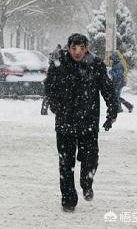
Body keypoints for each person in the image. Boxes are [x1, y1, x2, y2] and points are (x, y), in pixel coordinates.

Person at [44, 33, 118, 212]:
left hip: (88, 122)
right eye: (74, 48)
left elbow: (107, 88)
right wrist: (55, 106)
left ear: (87, 48)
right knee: (66, 164)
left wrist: (112, 110)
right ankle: (68, 200)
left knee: (90, 158)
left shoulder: (95, 65)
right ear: (68, 48)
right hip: (65, 122)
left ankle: (87, 182)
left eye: (82, 48)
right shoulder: (58, 64)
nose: (78, 52)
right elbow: (49, 87)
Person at [41, 44, 63, 115]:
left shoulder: (55, 56)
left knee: (47, 95)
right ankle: (46, 108)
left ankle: (44, 108)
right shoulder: (59, 55)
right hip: (54, 80)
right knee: (50, 95)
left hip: (51, 81)